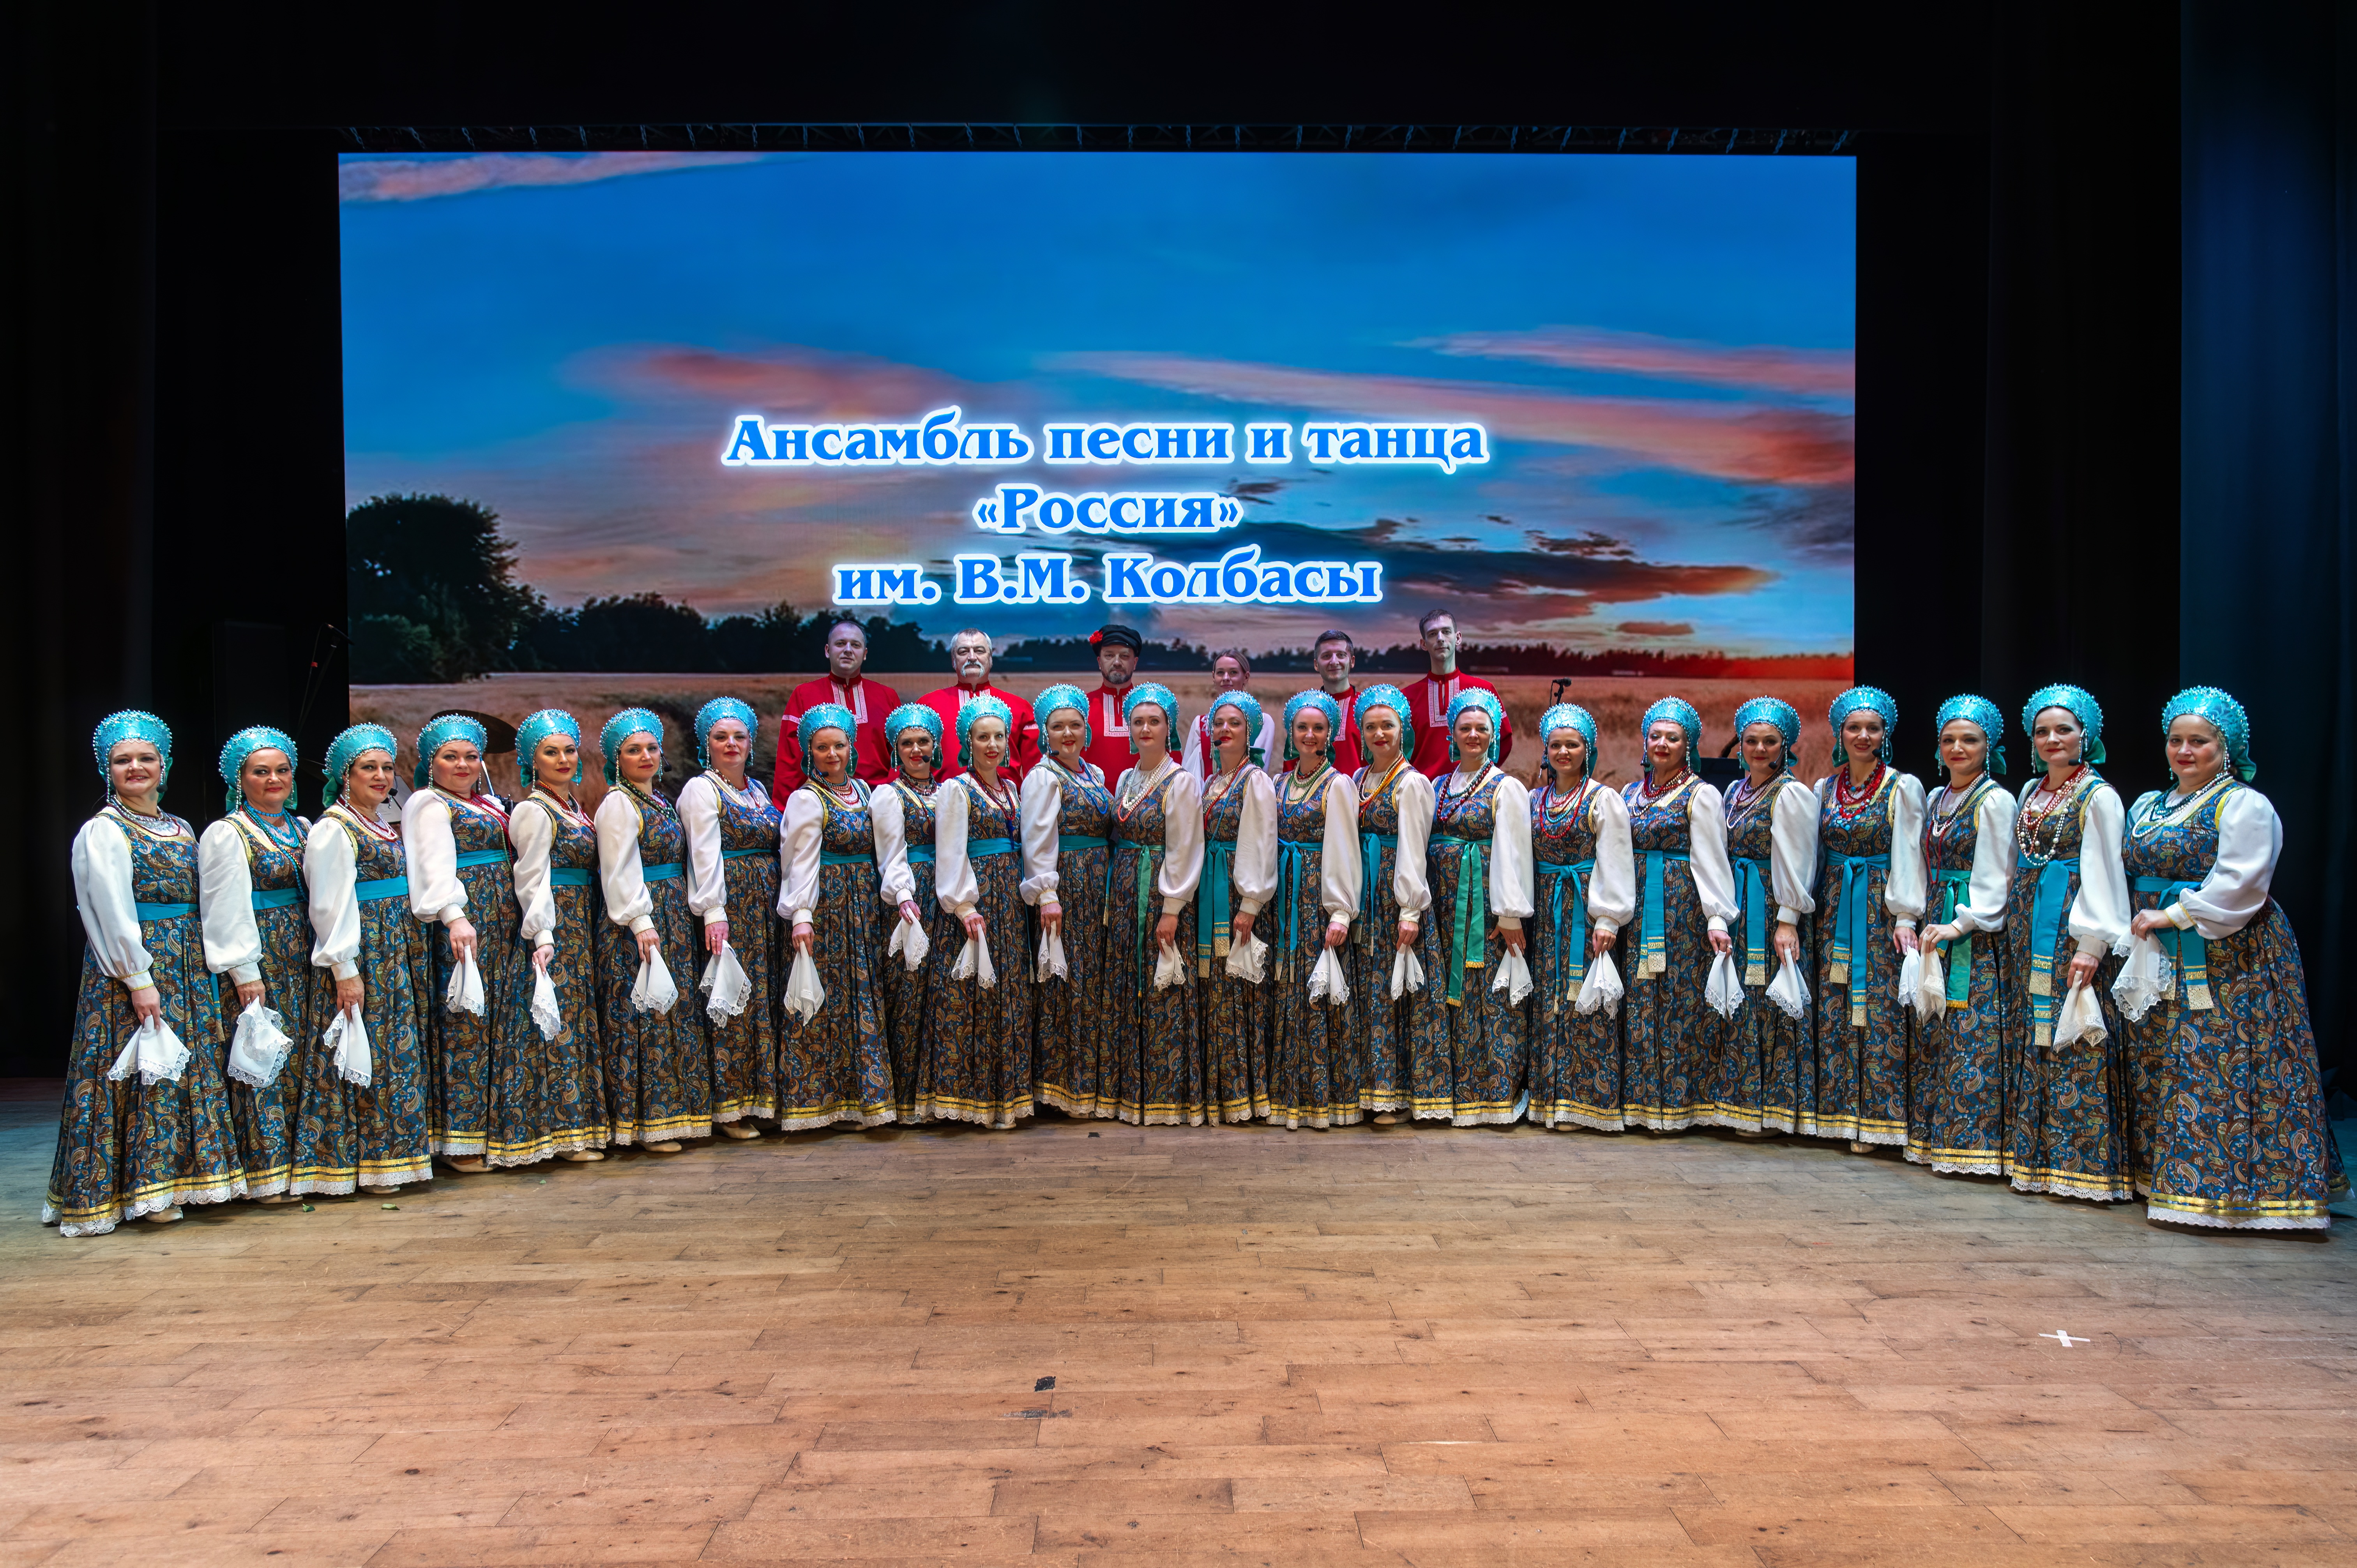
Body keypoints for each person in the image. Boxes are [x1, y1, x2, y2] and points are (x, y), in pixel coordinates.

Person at [2118, 688, 2345, 1229]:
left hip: (2229, 951)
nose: (2185, 751)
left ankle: (2237, 1192)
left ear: (2227, 748)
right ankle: (2163, 1177)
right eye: (2176, 740)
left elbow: (2240, 885)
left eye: (2199, 742)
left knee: (2218, 1059)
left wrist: (2169, 916)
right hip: (2159, 950)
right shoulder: (2148, 805)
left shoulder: (2243, 804)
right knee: (2161, 1058)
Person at [47, 711, 244, 1234]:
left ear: (165, 766)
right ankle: (142, 1190)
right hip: (135, 968)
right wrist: (138, 978)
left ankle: (184, 1179)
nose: (135, 767)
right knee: (145, 1075)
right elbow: (107, 909)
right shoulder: (103, 831)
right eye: (122, 760)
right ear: (105, 770)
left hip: (186, 962)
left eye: (146, 759)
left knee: (183, 1072)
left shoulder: (180, 827)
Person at [292, 723, 435, 1196]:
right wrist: (345, 969)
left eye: (386, 768)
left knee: (394, 1053)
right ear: (345, 776)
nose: (380, 776)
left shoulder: (377, 821)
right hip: (365, 951)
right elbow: (329, 904)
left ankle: (394, 1157)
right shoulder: (334, 827)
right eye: (367, 768)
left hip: (395, 947)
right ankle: (365, 1162)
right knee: (367, 1051)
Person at [2004, 684, 2131, 1203]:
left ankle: (2084, 1164)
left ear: (2087, 736)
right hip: (2028, 923)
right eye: (2042, 732)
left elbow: (2104, 871)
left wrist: (2093, 943)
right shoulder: (2031, 792)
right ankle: (2036, 1159)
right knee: (2034, 1031)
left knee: (2074, 1033)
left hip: (2070, 928)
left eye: (2064, 730)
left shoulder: (2097, 795)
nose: (2052, 739)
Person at [404, 713, 534, 1173]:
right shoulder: (429, 803)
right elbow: (434, 867)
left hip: (503, 923)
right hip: (467, 922)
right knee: (466, 1024)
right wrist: (455, 917)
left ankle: (498, 1130)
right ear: (431, 763)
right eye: (450, 757)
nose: (462, 765)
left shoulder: (488, 803)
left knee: (500, 1023)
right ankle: (461, 1141)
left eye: (471, 757)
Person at [198, 725, 320, 1202]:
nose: (274, 779)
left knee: (300, 1059)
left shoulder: (305, 827)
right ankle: (264, 1173)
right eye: (260, 771)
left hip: (303, 953)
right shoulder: (227, 834)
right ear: (240, 778)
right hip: (262, 955)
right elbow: (223, 905)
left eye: (282, 770)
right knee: (262, 1056)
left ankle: (301, 1165)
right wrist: (245, 972)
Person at [1401, 688, 1533, 1124]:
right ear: (1451, 735)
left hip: (1484, 907)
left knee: (1488, 995)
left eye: (1482, 728)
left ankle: (1494, 1096)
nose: (1473, 735)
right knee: (1448, 997)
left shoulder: (1506, 787)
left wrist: (1509, 913)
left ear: (1494, 735)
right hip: (1442, 904)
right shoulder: (1437, 785)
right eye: (1465, 728)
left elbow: (1512, 850)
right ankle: (1453, 1094)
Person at [594, 709, 714, 1152]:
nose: (645, 756)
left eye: (651, 748)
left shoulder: (660, 799)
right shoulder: (618, 804)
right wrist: (641, 922)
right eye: (633, 750)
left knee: (673, 1012)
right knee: (645, 1014)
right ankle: (646, 1123)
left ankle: (679, 1114)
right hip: (638, 920)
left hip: (672, 913)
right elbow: (618, 869)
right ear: (617, 759)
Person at [1811, 688, 1926, 1153]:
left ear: (1885, 735)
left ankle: (1880, 1120)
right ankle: (1840, 1115)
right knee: (1836, 1005)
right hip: (1836, 906)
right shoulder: (1824, 788)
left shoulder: (1903, 787)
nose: (1863, 736)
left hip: (1880, 910)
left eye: (1872, 728)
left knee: (1880, 1013)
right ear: (1840, 732)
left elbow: (1910, 853)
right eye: (1854, 727)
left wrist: (1905, 914)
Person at [775, 703, 897, 1128]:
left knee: (865, 995)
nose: (832, 754)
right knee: (831, 998)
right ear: (811, 752)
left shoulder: (866, 792)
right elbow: (799, 860)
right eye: (823, 747)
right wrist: (802, 914)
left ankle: (867, 1098)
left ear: (852, 747)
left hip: (864, 903)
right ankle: (821, 1101)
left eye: (839, 746)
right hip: (828, 906)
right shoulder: (807, 799)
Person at [1908, 696, 2016, 1176]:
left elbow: (1999, 874)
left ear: (1988, 747)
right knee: (1937, 1026)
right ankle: (1938, 1137)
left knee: (1971, 1025)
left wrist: (1962, 922)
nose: (1958, 748)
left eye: (1969, 740)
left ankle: (1974, 1144)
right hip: (1938, 915)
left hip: (1974, 929)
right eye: (1949, 740)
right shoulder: (1936, 798)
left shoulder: (1995, 800)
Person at [1618, 698, 1738, 1131]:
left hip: (1681, 912)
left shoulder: (1701, 794)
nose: (1662, 744)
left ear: (1688, 745)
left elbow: (1711, 858)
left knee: (1679, 1001)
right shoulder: (1630, 793)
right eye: (1656, 735)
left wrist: (1717, 918)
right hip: (1638, 909)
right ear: (1645, 741)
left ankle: (1685, 1104)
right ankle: (1644, 1103)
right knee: (1641, 998)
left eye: (1673, 737)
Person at [922, 695, 1036, 1127]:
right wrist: (963, 904)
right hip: (976, 902)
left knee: (1007, 994)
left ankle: (1005, 1099)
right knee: (974, 996)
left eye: (999, 736)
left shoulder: (1011, 788)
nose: (992, 744)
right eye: (982, 736)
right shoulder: (957, 788)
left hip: (1008, 899)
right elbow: (949, 850)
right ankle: (969, 1100)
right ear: (966, 741)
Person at [1707, 699, 1816, 1138]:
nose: (1758, 748)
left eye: (1769, 741)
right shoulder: (1736, 791)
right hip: (1738, 902)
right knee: (1739, 998)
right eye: (1751, 740)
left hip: (1770, 906)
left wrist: (1787, 918)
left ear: (1784, 746)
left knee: (1768, 998)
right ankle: (1738, 1100)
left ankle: (1770, 1107)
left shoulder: (1790, 793)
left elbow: (1797, 860)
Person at [1525, 703, 1635, 1132]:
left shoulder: (1602, 798)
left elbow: (1615, 859)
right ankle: (1548, 1098)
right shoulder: (1536, 798)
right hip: (1547, 909)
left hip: (1585, 912)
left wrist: (1608, 918)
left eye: (1573, 744)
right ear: (1546, 750)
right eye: (1556, 745)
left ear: (1587, 749)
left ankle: (1583, 1101)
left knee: (1583, 999)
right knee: (1549, 1001)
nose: (1564, 752)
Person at [506, 708, 609, 1164]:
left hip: (583, 917)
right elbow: (531, 876)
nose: (563, 759)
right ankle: (562, 1132)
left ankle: (583, 1125)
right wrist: (543, 931)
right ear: (534, 760)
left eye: (569, 750)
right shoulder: (533, 809)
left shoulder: (572, 806)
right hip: (557, 919)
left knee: (579, 1016)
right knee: (558, 1019)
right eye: (551, 752)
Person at [1104, 683, 1207, 1124]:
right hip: (1126, 893)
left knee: (1162, 989)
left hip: (1160, 896)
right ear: (1129, 728)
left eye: (1155, 721)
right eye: (1138, 721)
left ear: (1170, 728)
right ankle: (1131, 1092)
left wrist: (1171, 908)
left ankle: (1168, 1095)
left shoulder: (1181, 780)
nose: (1146, 728)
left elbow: (1185, 847)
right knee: (1131, 987)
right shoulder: (1127, 778)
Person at [680, 697, 781, 1135]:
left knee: (763, 999)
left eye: (739, 736)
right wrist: (714, 912)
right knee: (732, 999)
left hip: (766, 906)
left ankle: (764, 1099)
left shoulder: (756, 789)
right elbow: (704, 854)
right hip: (732, 906)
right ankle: (731, 1106)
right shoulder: (701, 789)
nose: (731, 744)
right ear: (707, 744)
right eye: (721, 737)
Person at [1263, 690, 1364, 1129]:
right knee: (1284, 988)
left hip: (1315, 898)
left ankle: (1323, 1098)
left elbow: (1345, 848)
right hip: (1283, 896)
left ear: (1330, 735)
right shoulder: (1279, 783)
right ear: (1291, 733)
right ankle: (1287, 1095)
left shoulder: (1338, 784)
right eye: (1302, 728)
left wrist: (1341, 911)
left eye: (1318, 728)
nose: (1309, 735)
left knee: (1315, 992)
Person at [1022, 684, 1120, 1119]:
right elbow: (1038, 839)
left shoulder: (1094, 774)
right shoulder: (1043, 776)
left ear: (1087, 730)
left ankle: (1094, 1083)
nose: (1067, 733)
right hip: (1068, 888)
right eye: (1058, 726)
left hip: (1101, 883)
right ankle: (1063, 1086)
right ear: (1046, 732)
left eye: (1075, 725)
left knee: (1094, 980)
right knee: (1068, 982)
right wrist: (1047, 894)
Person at [1345, 685, 1435, 1125]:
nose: (1380, 733)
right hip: (1362, 892)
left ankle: (1391, 1095)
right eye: (1371, 726)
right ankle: (1363, 1089)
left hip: (1392, 898)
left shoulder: (1412, 783)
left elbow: (1414, 849)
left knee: (1389, 993)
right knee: (1364, 989)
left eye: (1388, 726)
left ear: (1404, 731)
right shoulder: (1358, 780)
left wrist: (1410, 911)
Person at [1196, 690, 1277, 1123]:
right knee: (1215, 990)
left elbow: (1261, 842)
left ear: (1250, 733)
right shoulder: (1211, 782)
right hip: (1210, 890)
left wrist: (1250, 902)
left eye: (1235, 724)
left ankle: (1245, 1093)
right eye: (1219, 723)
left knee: (1238, 989)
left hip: (1237, 895)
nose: (1225, 730)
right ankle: (1218, 1093)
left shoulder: (1255, 779)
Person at [872, 704, 953, 1121]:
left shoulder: (950, 791)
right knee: (910, 991)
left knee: (942, 996)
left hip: (949, 890)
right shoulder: (889, 795)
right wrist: (904, 895)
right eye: (908, 743)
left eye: (924, 742)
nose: (917, 749)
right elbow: (891, 853)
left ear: (936, 745)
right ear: (895, 750)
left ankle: (937, 1093)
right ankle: (905, 1099)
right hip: (913, 897)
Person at [773, 620, 901, 799]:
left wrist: (890, 799)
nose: (848, 649)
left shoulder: (888, 697)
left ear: (864, 654)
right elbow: (789, 761)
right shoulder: (803, 695)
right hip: (821, 804)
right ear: (827, 651)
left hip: (879, 803)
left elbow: (900, 757)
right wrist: (786, 811)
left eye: (855, 645)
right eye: (840, 644)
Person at [1401, 609, 1514, 777]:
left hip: (1472, 793)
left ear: (1458, 638)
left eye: (1446, 632)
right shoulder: (1407, 697)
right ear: (1424, 644)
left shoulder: (1484, 690)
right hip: (1422, 795)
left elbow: (1503, 740)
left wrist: (1481, 779)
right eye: (1432, 634)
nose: (1440, 639)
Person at [918, 628, 1038, 780]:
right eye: (963, 652)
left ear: (991, 658)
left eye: (980, 651)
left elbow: (1036, 775)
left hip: (1006, 803)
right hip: (943, 802)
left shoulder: (1020, 708)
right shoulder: (928, 706)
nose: (972, 657)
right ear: (953, 661)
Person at [1181, 650, 1279, 785]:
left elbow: (1258, 767)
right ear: (1214, 677)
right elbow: (1188, 774)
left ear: (1246, 677)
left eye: (1233, 673)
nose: (1226, 678)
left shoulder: (1263, 721)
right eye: (1221, 673)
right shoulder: (1200, 723)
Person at [1080, 623, 1143, 784]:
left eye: (1124, 656)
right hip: (1091, 805)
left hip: (1143, 803)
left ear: (1135, 663)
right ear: (1100, 662)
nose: (1117, 662)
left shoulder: (1152, 708)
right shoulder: (1081, 708)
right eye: (1109, 656)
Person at [1308, 630, 1364, 776]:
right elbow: (1291, 765)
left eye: (1341, 655)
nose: (1334, 662)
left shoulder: (1369, 709)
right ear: (1316, 664)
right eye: (1326, 656)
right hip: (1313, 797)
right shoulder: (1305, 712)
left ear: (1352, 661)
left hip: (1361, 796)